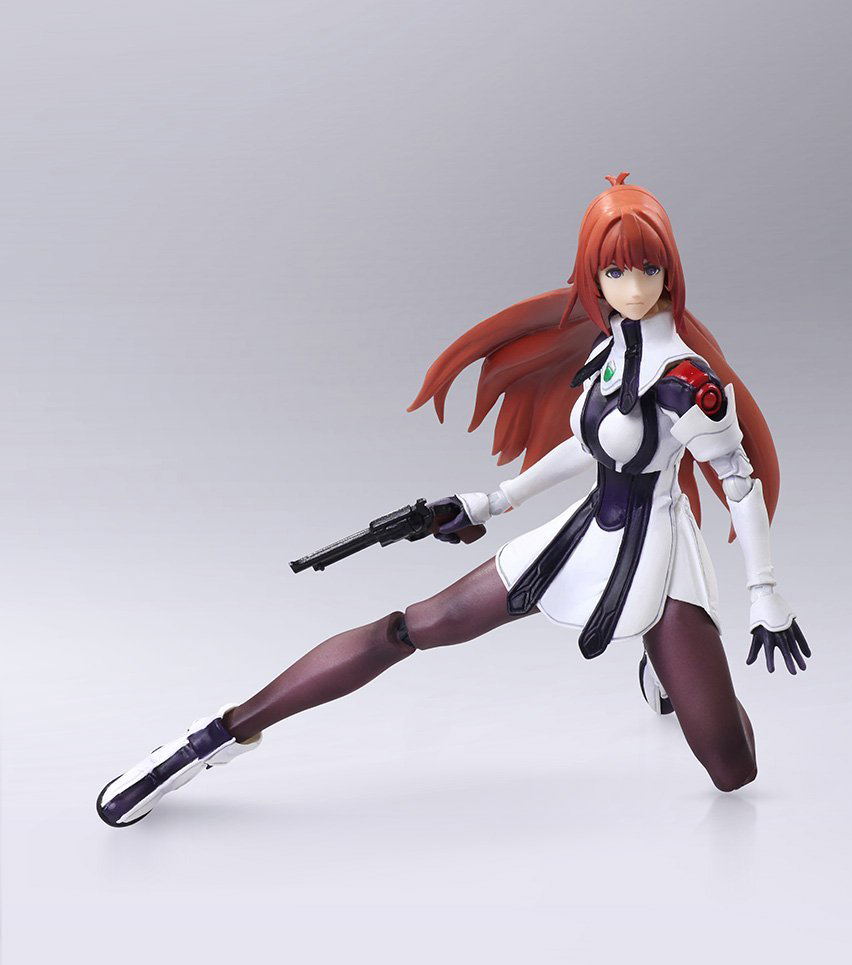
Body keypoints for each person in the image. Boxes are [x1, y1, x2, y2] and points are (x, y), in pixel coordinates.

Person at [97, 173, 809, 827]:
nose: (632, 287)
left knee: (732, 770)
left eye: (647, 269)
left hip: (660, 557)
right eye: (615, 271)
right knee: (415, 626)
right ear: (593, 274)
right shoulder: (606, 353)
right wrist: (492, 501)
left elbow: (737, 482)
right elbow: (590, 447)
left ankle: (664, 659)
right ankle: (210, 739)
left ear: (670, 270)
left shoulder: (688, 381)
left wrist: (764, 594)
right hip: (583, 536)